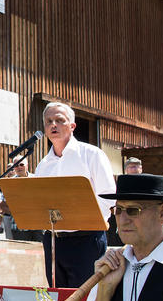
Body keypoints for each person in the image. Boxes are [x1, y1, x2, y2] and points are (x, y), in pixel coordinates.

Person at [33, 102, 116, 287]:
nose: (53, 125)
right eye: (49, 121)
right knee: (59, 299)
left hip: (86, 240)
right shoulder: (43, 165)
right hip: (54, 241)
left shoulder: (92, 154)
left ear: (72, 126)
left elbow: (108, 196)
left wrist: (86, 220)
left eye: (60, 120)